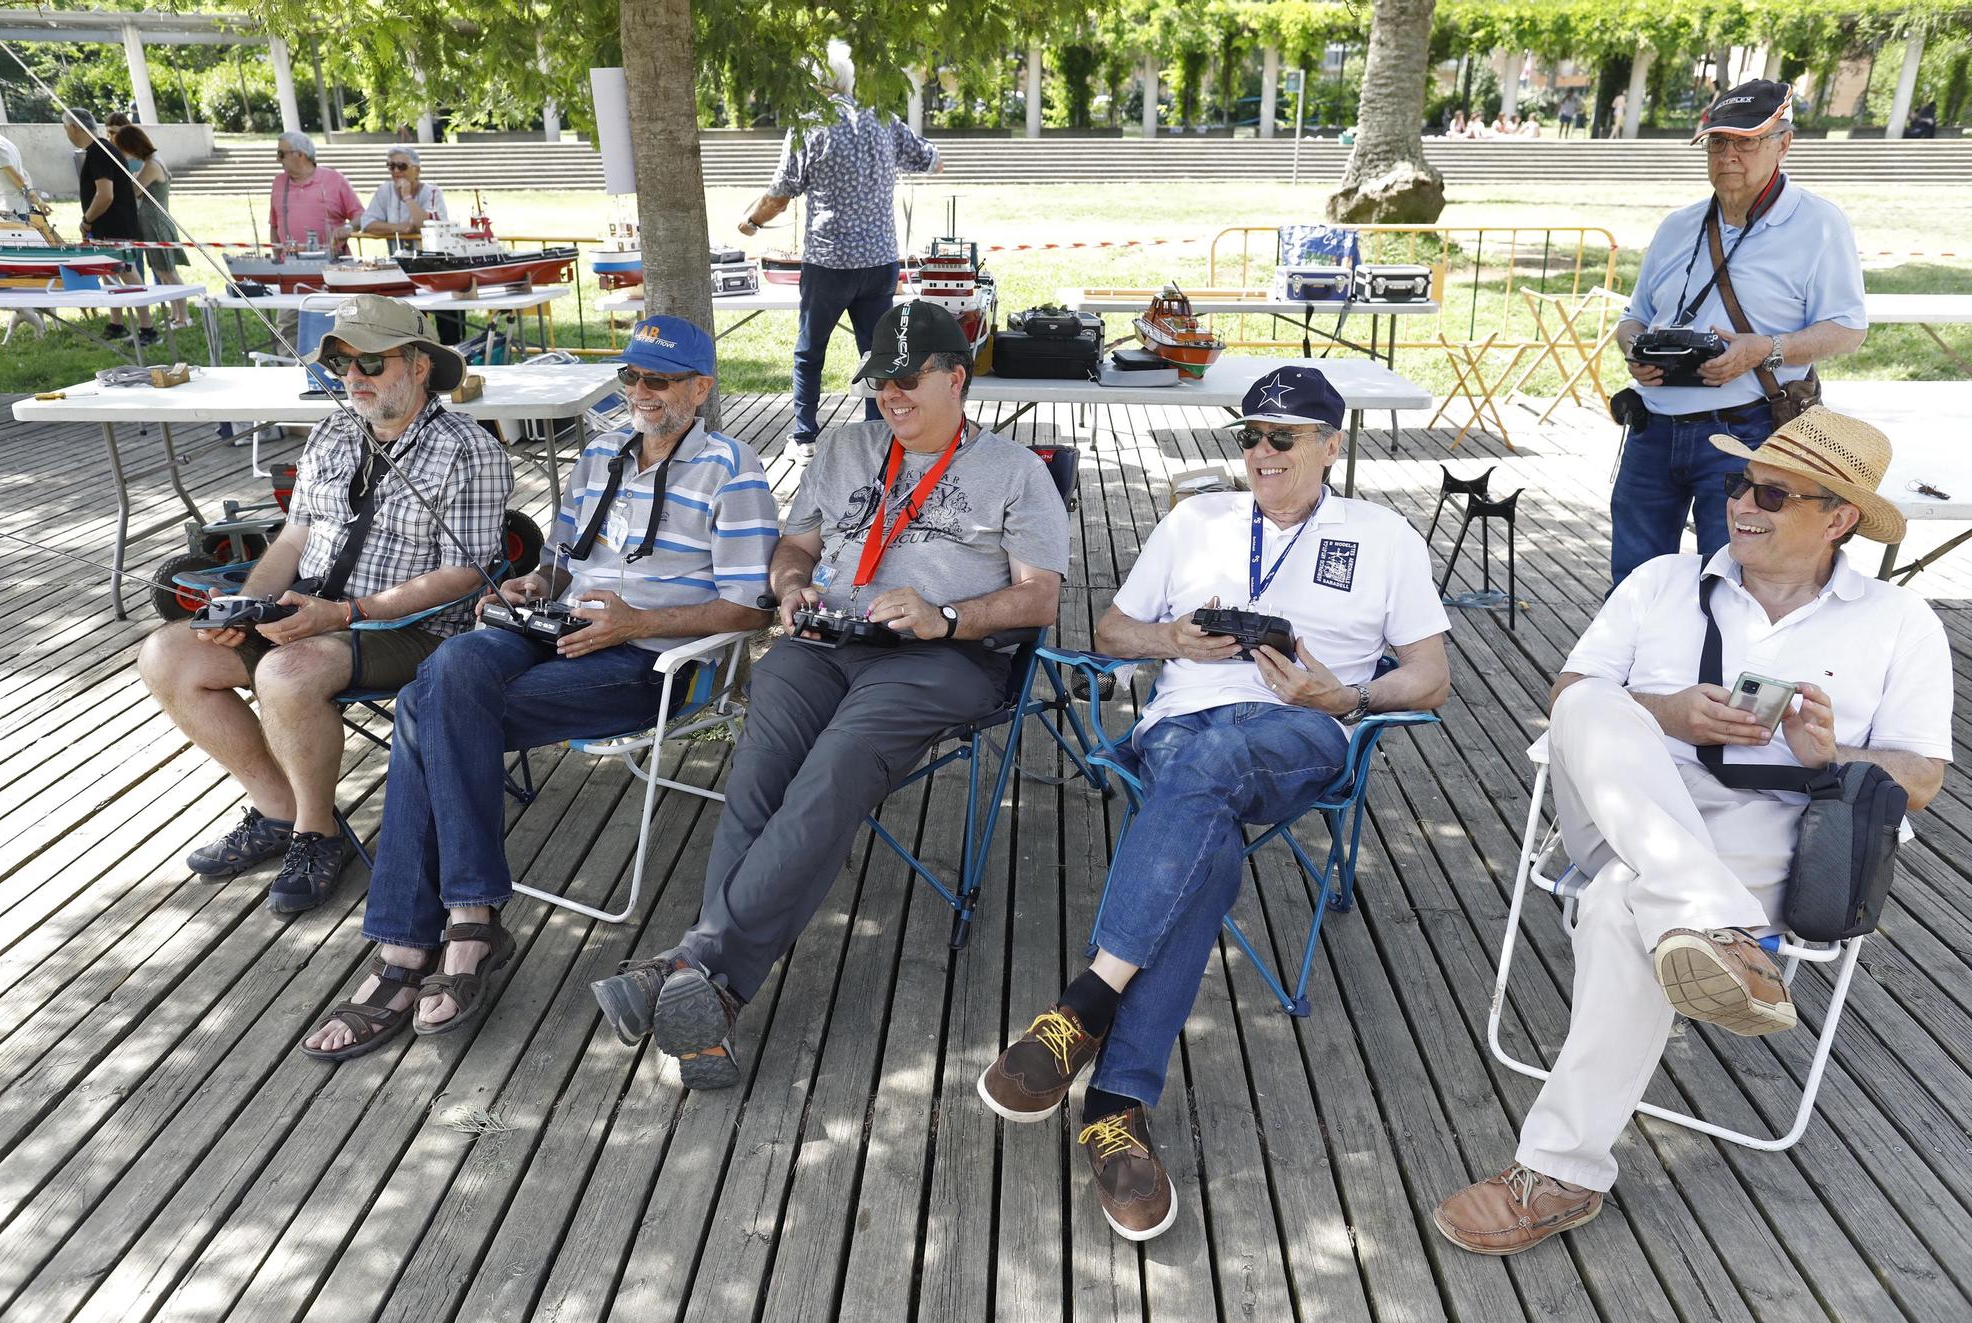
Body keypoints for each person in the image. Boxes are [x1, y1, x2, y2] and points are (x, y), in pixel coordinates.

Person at [1433, 407, 1952, 1255]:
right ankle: (1715, 922)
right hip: (1626, 803)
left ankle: (1559, 1172)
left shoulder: (1898, 621)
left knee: (1616, 904)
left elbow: (1922, 779)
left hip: (1772, 825)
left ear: (1839, 519)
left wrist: (1832, 752)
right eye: (1739, 483)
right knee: (1591, 701)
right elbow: (1569, 697)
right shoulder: (1663, 582)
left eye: (1773, 494)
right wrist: (1669, 712)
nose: (1741, 502)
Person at [975, 365, 1451, 1242]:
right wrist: (1171, 638)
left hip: (1302, 729)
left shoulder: (1382, 536)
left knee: (1213, 771)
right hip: (1179, 724)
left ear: (1331, 446)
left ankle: (1084, 1005)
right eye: (1250, 436)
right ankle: (1115, 1103)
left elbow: (1431, 675)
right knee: (1207, 828)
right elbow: (1111, 631)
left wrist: (1344, 696)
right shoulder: (1195, 519)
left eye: (1283, 437)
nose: (1261, 452)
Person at [589, 299, 1069, 1088]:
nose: (891, 395)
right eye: (881, 380)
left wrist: (946, 615)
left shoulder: (1016, 472)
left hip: (936, 656)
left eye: (908, 379)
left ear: (957, 377)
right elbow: (797, 546)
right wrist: (790, 587)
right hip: (824, 641)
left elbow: (1039, 597)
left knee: (836, 767)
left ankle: (694, 963)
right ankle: (707, 988)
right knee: (760, 769)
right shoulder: (847, 447)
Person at [300, 316, 780, 1060]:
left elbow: (750, 609)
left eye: (658, 379)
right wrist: (533, 582)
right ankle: (468, 923)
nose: (640, 392)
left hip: (650, 660)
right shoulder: (600, 453)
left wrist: (636, 623)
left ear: (700, 388)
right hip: (552, 630)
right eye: (630, 376)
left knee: (427, 707)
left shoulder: (732, 469)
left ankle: (411, 948)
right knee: (450, 669)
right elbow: (560, 557)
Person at [138, 296, 512, 915]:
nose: (353, 377)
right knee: (167, 654)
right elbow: (294, 538)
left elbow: (466, 572)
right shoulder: (332, 433)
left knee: (286, 672)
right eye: (341, 363)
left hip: (414, 629)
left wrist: (343, 615)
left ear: (420, 365)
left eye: (371, 362)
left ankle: (318, 835)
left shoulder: (469, 448)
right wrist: (247, 606)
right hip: (311, 611)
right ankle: (277, 811)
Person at [1608, 80, 1867, 587]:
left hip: (1746, 432)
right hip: (1652, 429)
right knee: (1634, 580)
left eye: (1746, 142)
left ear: (1783, 145)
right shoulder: (1678, 225)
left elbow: (1848, 330)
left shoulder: (1818, 224)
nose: (1728, 155)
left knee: (1736, 581)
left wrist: (1765, 350)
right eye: (1718, 142)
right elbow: (1632, 317)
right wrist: (1636, 348)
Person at [736, 39, 942, 460]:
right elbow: (932, 161)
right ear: (848, 79)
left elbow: (780, 196)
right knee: (878, 353)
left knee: (810, 351)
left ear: (814, 81)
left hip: (829, 262)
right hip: (880, 260)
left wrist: (751, 221)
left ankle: (804, 437)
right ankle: (879, 435)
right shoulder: (882, 119)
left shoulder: (809, 125)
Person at [63, 108, 155, 344]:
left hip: (115, 225)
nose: (67, 134)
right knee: (109, 273)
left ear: (74, 127)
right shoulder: (100, 149)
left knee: (127, 273)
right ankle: (117, 324)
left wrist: (86, 221)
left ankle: (148, 329)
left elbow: (105, 195)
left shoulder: (99, 152)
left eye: (66, 128)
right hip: (109, 226)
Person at [114, 124, 192, 329]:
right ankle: (175, 314)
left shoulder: (151, 164)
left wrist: (131, 178)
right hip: (153, 222)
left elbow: (134, 191)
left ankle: (184, 316)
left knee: (168, 272)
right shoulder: (152, 161)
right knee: (161, 270)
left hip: (156, 223)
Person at [269, 131, 364, 255]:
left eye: (281, 154)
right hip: (290, 263)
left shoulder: (335, 179)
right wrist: (278, 259)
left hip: (332, 262)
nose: (277, 159)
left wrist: (348, 228)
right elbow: (274, 226)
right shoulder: (279, 183)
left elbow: (361, 216)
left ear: (300, 155)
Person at [357, 146, 449, 240]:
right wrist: (399, 228)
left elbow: (432, 227)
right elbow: (366, 223)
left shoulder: (433, 192)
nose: (396, 171)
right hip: (396, 249)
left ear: (416, 170)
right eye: (392, 166)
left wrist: (407, 197)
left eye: (402, 166)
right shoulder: (385, 190)